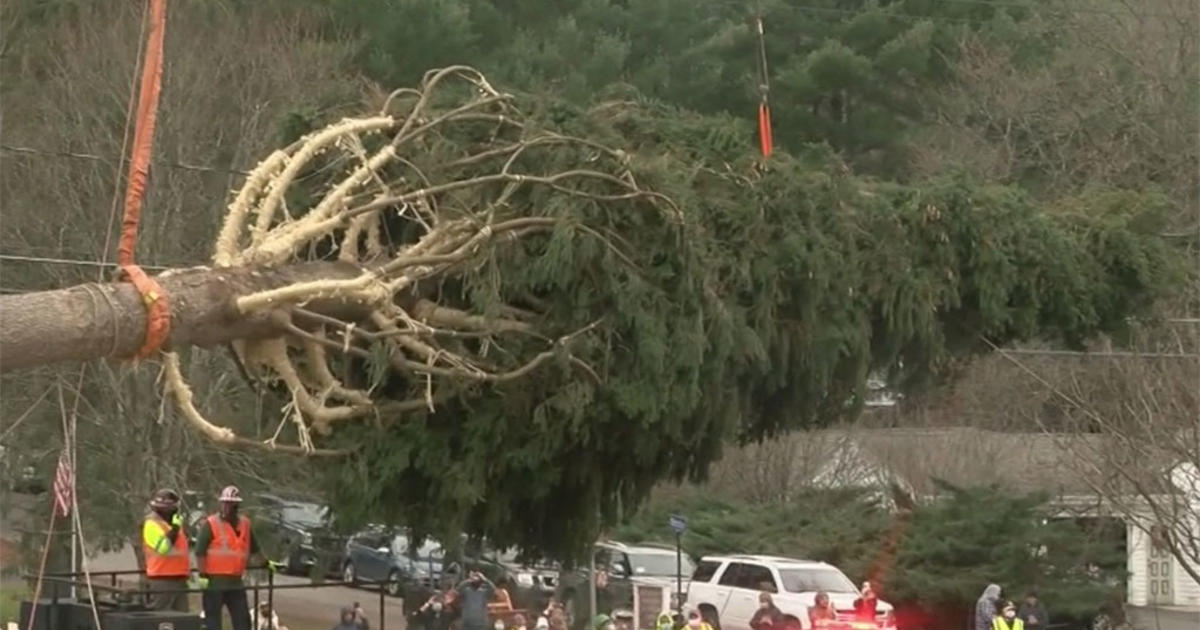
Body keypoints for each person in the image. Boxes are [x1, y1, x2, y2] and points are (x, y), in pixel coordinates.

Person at [195, 485, 274, 630]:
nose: (226, 507)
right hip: (214, 581)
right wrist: (202, 575)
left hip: (236, 582)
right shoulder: (211, 523)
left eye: (230, 504)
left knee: (242, 621)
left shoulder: (245, 524)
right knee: (213, 621)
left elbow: (255, 549)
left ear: (237, 505)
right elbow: (200, 551)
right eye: (224, 503)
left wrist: (266, 563)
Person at [142, 489, 191, 612]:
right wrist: (175, 528)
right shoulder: (151, 524)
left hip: (179, 578)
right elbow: (163, 548)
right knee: (161, 619)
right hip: (162, 579)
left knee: (182, 620)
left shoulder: (173, 525)